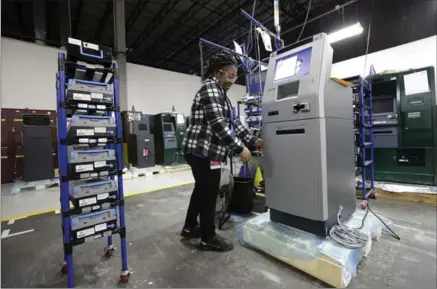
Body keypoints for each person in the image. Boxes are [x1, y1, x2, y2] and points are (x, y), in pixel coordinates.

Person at [180, 51, 263, 252]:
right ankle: (208, 237)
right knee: (209, 193)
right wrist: (239, 148)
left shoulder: (221, 94)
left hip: (205, 152)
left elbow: (233, 123)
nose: (233, 81)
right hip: (202, 152)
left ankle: (190, 227)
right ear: (219, 72)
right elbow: (217, 123)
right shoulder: (210, 89)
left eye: (235, 77)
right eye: (231, 76)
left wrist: (254, 140)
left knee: (202, 190)